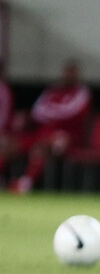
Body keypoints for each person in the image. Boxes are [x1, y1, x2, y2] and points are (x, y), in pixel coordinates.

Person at [2, 59, 91, 194]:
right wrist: (49, 113)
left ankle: (25, 183)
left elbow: (69, 112)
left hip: (67, 136)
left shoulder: (82, 93)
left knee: (42, 147)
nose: (68, 75)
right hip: (42, 132)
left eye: (72, 72)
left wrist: (49, 113)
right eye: (66, 71)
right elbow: (37, 110)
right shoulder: (53, 90)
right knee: (9, 144)